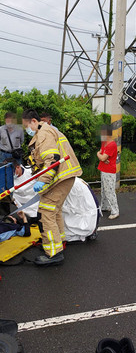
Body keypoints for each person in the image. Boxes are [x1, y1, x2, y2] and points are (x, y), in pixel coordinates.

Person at [22, 109, 82, 266]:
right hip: (64, 176)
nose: (26, 130)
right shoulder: (47, 130)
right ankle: (58, 243)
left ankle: (53, 253)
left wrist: (43, 179)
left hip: (60, 177)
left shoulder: (43, 134)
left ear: (34, 121)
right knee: (54, 210)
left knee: (45, 212)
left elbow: (52, 159)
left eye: (26, 126)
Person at [62, 177, 100, 242]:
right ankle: (92, 230)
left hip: (88, 213)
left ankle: (91, 231)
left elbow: (70, 206)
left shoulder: (71, 184)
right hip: (91, 211)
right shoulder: (76, 181)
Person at [11, 160, 42, 230]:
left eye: (13, 172)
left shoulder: (31, 171)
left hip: (38, 204)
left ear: (18, 167)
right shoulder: (9, 180)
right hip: (23, 210)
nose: (12, 175)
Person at [97, 124, 119, 220]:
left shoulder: (112, 144)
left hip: (109, 171)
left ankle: (115, 211)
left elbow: (101, 156)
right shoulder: (104, 142)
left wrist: (99, 155)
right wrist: (102, 157)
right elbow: (102, 154)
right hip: (103, 169)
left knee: (110, 191)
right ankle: (105, 207)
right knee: (104, 190)